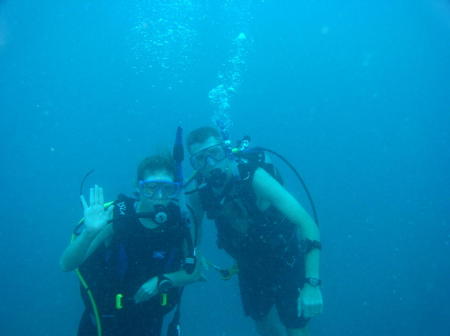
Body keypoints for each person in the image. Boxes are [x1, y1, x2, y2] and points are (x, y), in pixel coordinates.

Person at [186, 127, 323, 336]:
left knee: (296, 328)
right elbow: (195, 228)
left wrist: (312, 283)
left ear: (226, 150)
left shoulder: (253, 177)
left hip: (285, 260)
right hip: (249, 266)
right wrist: (195, 255)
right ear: (194, 164)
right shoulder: (199, 192)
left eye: (215, 153)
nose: (210, 163)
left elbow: (307, 224)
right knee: (264, 326)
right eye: (201, 158)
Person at [60, 153, 203, 336]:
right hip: (104, 320)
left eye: (167, 189)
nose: (159, 197)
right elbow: (66, 264)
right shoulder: (118, 218)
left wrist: (163, 280)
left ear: (176, 190)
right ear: (138, 187)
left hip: (149, 320)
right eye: (151, 188)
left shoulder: (180, 222)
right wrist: (89, 233)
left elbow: (195, 271)